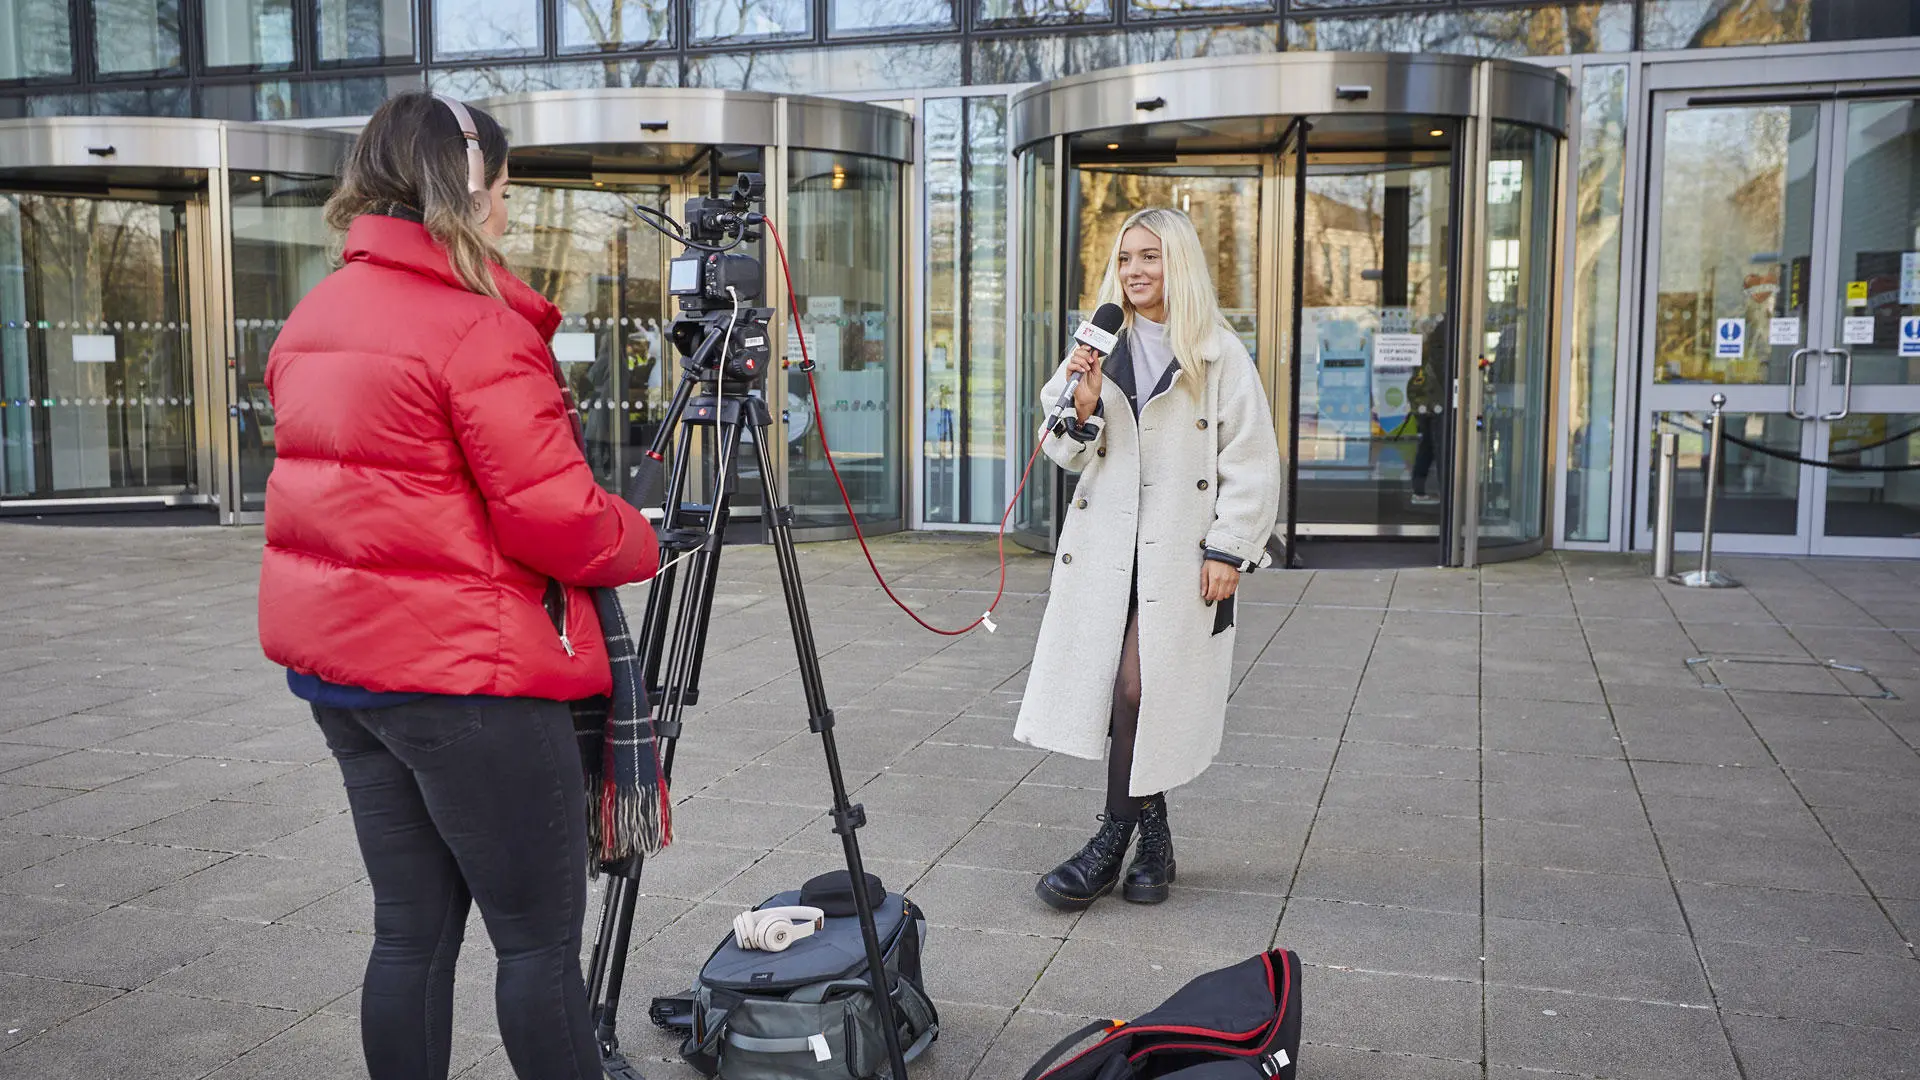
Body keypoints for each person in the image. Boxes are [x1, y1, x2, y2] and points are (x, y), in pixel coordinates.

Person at [257, 92, 660, 1080]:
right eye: (506, 187)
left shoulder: (315, 314)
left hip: (349, 678)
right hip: (468, 680)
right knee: (537, 948)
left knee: (409, 934)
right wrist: (642, 536)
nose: (510, 209)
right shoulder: (477, 328)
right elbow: (556, 519)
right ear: (468, 185)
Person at [1016, 208, 1281, 911]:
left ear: (1179, 263)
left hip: (1182, 557)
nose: (1134, 270)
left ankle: (1110, 842)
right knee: (1121, 687)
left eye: (1151, 257)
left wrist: (1230, 548)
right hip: (1106, 551)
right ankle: (1154, 840)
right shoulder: (1100, 346)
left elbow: (1251, 459)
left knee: (1138, 689)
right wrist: (1084, 403)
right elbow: (1062, 450)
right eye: (1126, 257)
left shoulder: (1218, 353)